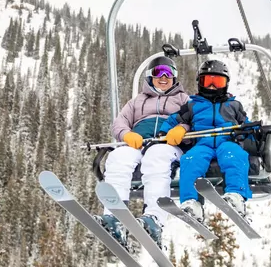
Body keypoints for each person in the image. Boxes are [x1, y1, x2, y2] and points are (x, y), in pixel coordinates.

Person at [94, 56, 190, 248]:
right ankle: (114, 215)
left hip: (168, 145)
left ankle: (155, 218)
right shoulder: (137, 101)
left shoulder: (184, 100)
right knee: (118, 156)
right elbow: (119, 123)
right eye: (159, 72)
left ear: (175, 77)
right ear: (150, 76)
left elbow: (196, 119)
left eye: (169, 73)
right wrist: (127, 134)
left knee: (156, 157)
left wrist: (183, 129)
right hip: (139, 143)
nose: (164, 77)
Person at [159, 59, 252, 221]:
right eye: (208, 81)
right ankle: (191, 202)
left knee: (235, 155)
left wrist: (251, 132)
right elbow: (174, 119)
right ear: (200, 83)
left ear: (226, 84)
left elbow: (246, 124)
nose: (212, 86)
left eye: (217, 82)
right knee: (190, 159)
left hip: (227, 141)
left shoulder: (234, 105)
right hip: (202, 143)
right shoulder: (193, 105)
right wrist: (164, 131)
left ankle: (236, 195)